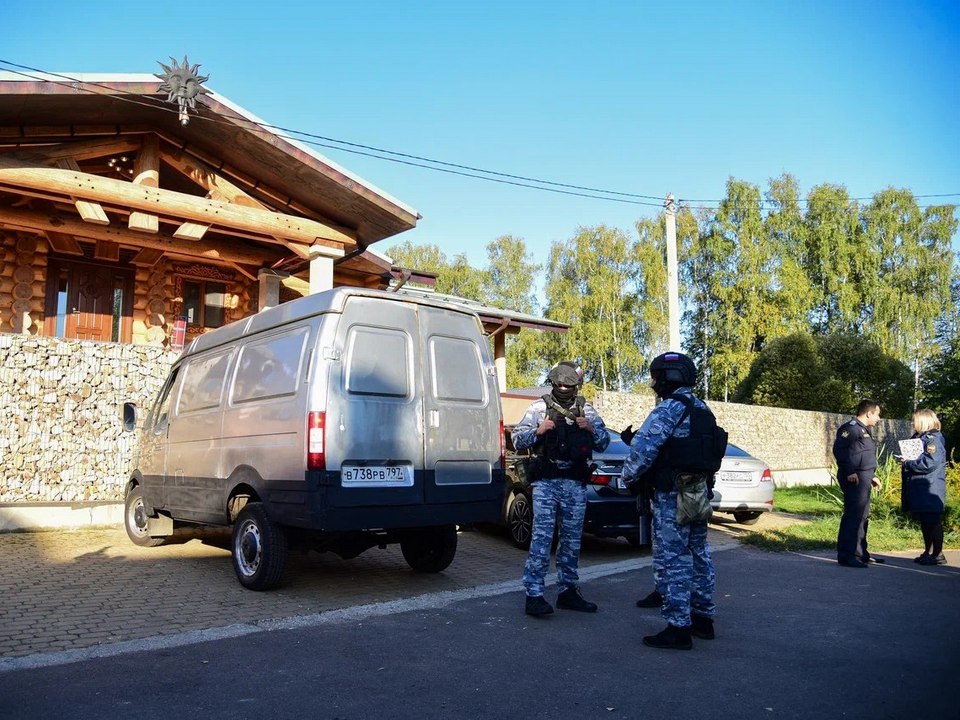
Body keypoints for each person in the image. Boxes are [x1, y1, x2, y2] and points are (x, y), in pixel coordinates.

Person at [620, 352, 717, 650]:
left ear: (667, 377)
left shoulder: (669, 409)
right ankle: (703, 619)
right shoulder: (702, 408)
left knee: (675, 558)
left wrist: (627, 478)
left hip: (672, 496)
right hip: (698, 493)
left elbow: (643, 449)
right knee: (699, 553)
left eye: (656, 377)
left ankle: (678, 627)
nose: (653, 383)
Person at [512, 361, 610, 617]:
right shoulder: (537, 408)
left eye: (569, 385)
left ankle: (568, 591)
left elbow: (603, 442)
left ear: (576, 386)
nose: (564, 388)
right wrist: (538, 430)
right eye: (560, 384)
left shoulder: (587, 410)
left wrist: (591, 429)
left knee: (572, 539)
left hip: (575, 482)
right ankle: (534, 594)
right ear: (553, 383)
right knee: (542, 539)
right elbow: (516, 439)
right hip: (546, 481)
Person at [832, 399, 883, 568]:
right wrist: (849, 471)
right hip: (854, 478)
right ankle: (847, 555)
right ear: (869, 413)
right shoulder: (851, 428)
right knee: (853, 516)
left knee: (862, 516)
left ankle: (860, 553)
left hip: (864, 477)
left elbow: (861, 455)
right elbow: (840, 450)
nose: (878, 418)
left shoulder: (864, 430)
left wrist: (872, 476)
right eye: (877, 414)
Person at [899, 409, 947, 566]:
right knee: (925, 522)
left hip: (930, 487)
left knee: (933, 521)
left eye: (914, 420)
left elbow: (930, 462)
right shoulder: (919, 438)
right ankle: (928, 551)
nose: (912, 423)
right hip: (920, 487)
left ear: (924, 421)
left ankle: (938, 554)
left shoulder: (933, 439)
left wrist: (909, 462)